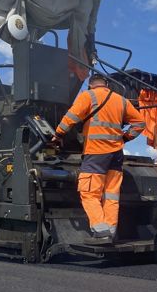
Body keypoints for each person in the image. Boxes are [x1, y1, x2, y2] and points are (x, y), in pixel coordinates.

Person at [51, 73, 146, 243]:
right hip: (116, 154)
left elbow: (72, 117)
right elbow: (140, 123)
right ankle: (110, 231)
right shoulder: (120, 100)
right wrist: (125, 138)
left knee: (89, 192)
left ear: (90, 85)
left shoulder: (88, 96)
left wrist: (58, 134)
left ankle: (100, 230)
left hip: (96, 152)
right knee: (111, 195)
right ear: (107, 84)